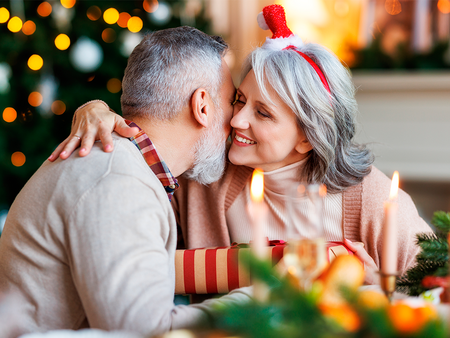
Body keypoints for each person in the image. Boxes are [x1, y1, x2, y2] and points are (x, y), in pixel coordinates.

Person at [50, 5, 431, 285]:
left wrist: (370, 281)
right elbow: (147, 139)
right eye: (238, 100)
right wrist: (96, 108)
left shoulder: (370, 197)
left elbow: (433, 284)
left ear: (307, 137)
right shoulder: (207, 178)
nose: (235, 120)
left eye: (262, 113)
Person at [0, 26, 252, 335]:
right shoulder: (119, 181)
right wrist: (259, 303)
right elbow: (143, 331)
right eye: (231, 102)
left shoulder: (123, 166)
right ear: (202, 106)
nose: (236, 121)